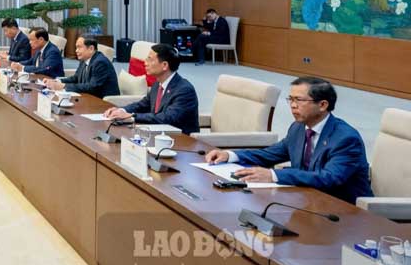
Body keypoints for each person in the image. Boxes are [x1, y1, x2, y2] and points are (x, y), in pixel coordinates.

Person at [206, 77, 373, 203]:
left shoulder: (346, 138)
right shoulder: (298, 128)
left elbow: (328, 178)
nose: (293, 105)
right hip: (305, 201)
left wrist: (273, 175)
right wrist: (230, 155)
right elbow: (270, 154)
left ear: (323, 105)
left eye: (299, 100)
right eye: (291, 99)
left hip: (342, 210)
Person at [104, 43, 199, 134]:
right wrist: (121, 110)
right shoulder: (157, 84)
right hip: (158, 134)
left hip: (180, 139)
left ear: (164, 65)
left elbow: (167, 118)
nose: (145, 63)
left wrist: (132, 116)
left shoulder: (184, 90)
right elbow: (142, 105)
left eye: (150, 59)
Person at [47, 34, 120, 99]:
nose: (76, 50)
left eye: (79, 47)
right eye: (76, 48)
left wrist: (64, 86)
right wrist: (57, 81)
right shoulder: (84, 59)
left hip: (104, 102)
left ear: (91, 49)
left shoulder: (100, 63)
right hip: (89, 97)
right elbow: (76, 78)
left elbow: (92, 87)